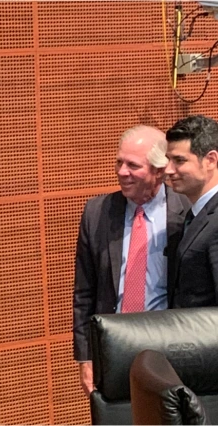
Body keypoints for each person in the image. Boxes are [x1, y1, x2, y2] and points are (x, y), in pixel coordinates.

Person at [73, 125, 190, 397]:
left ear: (159, 170)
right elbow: (84, 292)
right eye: (119, 162)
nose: (121, 172)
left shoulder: (186, 212)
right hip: (113, 348)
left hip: (169, 347)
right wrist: (85, 357)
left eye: (133, 165)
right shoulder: (97, 213)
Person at [165, 115, 218, 308]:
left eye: (179, 160)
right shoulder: (194, 213)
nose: (168, 170)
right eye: (168, 160)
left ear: (210, 160)